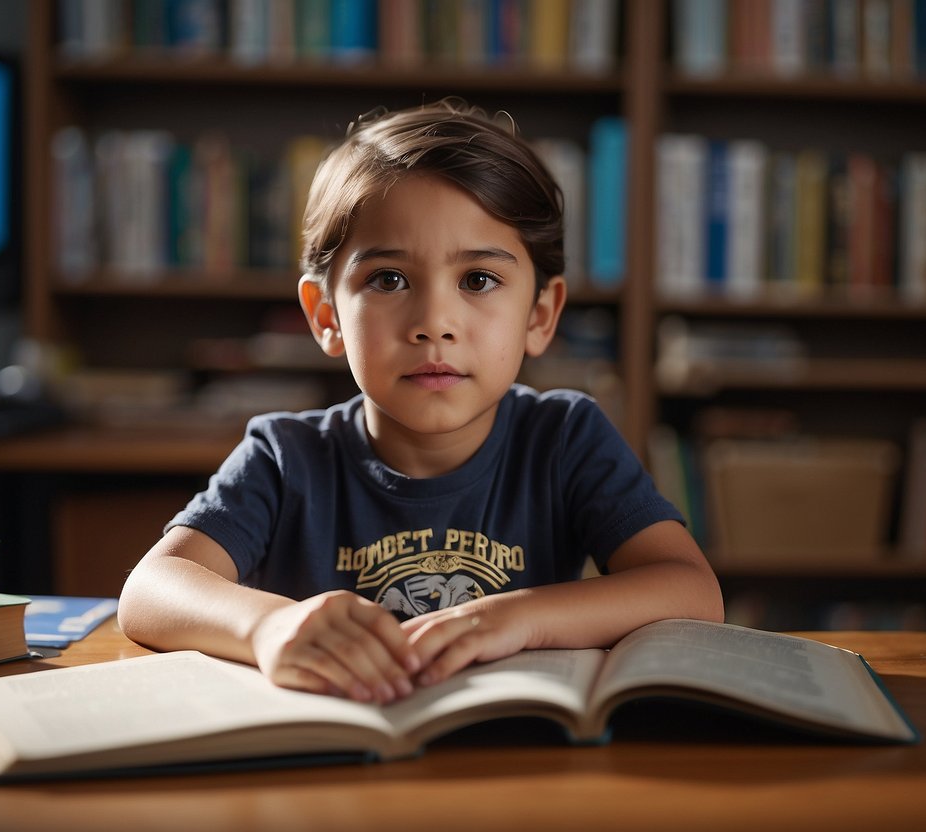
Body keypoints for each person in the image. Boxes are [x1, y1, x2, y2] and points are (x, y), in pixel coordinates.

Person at [117, 99, 723, 706]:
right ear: (326, 317)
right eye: (388, 280)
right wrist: (268, 626)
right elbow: (151, 589)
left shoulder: (564, 436)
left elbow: (692, 592)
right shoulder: (285, 456)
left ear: (540, 315)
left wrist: (519, 616)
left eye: (478, 280)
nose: (434, 322)